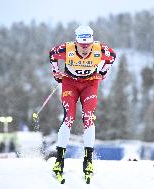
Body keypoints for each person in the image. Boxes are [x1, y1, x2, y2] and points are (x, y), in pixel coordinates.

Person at [49, 25, 116, 183]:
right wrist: (55, 71)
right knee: (69, 118)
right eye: (82, 45)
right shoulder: (67, 49)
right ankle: (59, 161)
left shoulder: (101, 50)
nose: (85, 49)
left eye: (88, 45)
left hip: (90, 85)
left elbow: (112, 56)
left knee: (88, 117)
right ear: (76, 43)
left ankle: (88, 161)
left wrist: (103, 72)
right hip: (70, 84)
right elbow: (52, 54)